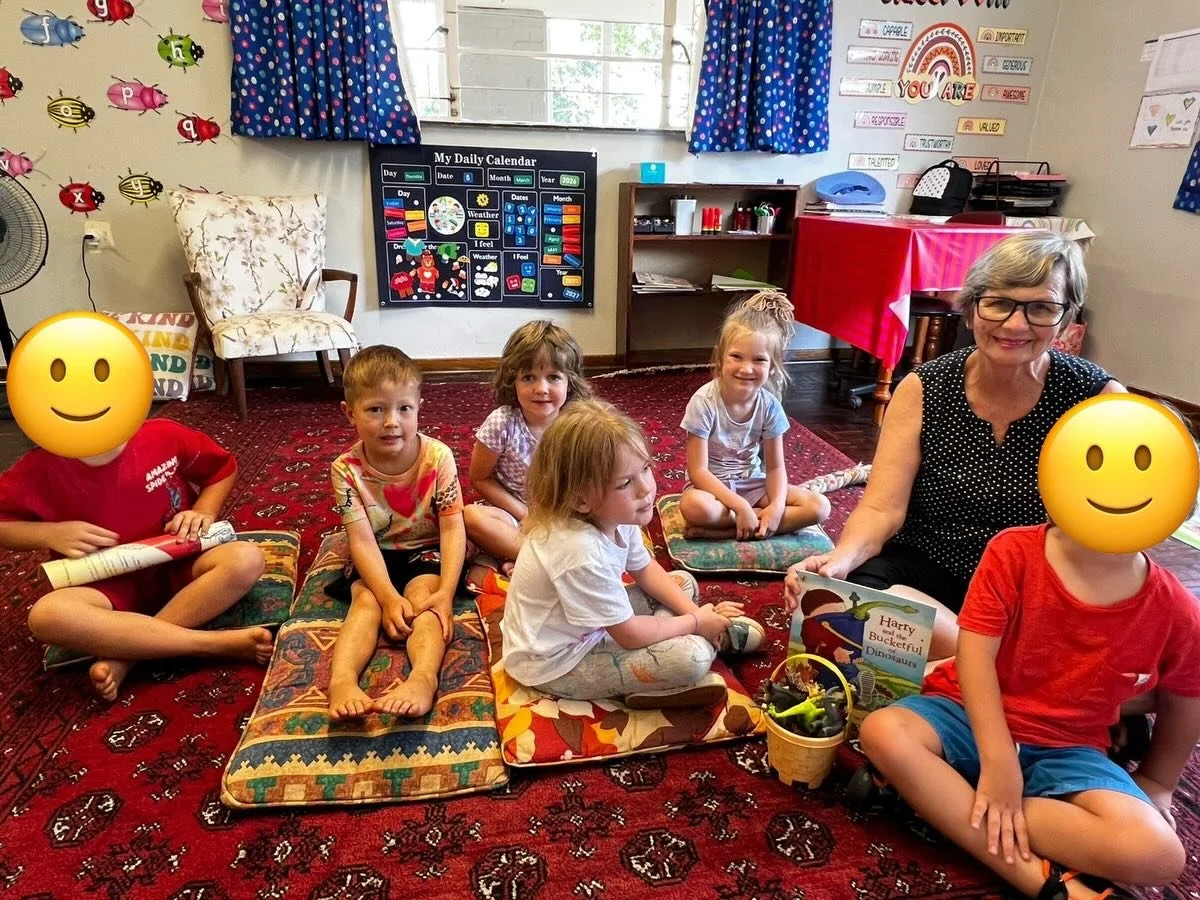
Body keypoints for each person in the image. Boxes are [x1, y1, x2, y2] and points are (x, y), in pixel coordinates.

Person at [785, 232, 1124, 659]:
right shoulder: (923, 388)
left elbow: (1111, 535)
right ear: (970, 308)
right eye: (999, 303)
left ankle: (969, 661)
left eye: (1041, 308)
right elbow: (881, 510)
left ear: (1066, 315)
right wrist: (839, 562)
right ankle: (1002, 665)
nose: (1016, 325)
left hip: (1036, 588)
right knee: (852, 595)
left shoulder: (1098, 400)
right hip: (931, 568)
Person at [858, 517, 1200, 899]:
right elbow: (974, 655)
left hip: (1068, 750)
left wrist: (1158, 782)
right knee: (884, 731)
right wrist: (998, 760)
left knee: (1160, 854)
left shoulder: (1176, 608)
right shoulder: (1013, 552)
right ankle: (1041, 883)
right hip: (967, 714)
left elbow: (1187, 694)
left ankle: (938, 800)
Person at [502, 399, 764, 708]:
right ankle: (685, 657)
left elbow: (645, 569)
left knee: (682, 583)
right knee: (691, 658)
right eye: (626, 482)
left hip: (595, 626)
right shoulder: (579, 550)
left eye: (646, 469)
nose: (646, 489)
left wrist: (692, 615)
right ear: (581, 499)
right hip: (556, 662)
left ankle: (698, 636)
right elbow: (628, 634)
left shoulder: (614, 514)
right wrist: (694, 623)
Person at [0, 419, 270, 702]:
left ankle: (129, 656)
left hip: (180, 563)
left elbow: (221, 470)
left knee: (246, 558)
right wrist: (49, 534)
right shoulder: (38, 467)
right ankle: (207, 646)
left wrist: (203, 511)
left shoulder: (162, 434)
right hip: (104, 584)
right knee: (46, 616)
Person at [325, 345, 466, 722]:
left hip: (427, 549)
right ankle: (342, 680)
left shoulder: (438, 458)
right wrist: (387, 596)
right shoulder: (345, 469)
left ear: (419, 407)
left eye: (404, 409)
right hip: (378, 553)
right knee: (365, 603)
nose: (392, 422)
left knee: (425, 600)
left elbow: (453, 526)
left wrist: (446, 594)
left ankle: (422, 678)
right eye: (376, 409)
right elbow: (362, 540)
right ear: (349, 413)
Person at [679, 290, 830, 541]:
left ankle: (725, 531)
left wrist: (776, 507)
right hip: (712, 490)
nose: (746, 368)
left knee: (819, 507)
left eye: (759, 360)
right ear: (720, 357)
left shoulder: (769, 407)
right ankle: (749, 522)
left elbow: (775, 467)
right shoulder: (703, 402)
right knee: (694, 507)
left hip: (753, 484)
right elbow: (698, 472)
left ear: (772, 367)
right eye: (736, 356)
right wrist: (739, 506)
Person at [464, 320, 591, 574]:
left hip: (566, 514)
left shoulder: (579, 422)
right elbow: (479, 478)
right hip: (514, 514)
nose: (541, 389)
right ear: (513, 381)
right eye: (529, 377)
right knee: (471, 517)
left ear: (570, 381)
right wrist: (524, 514)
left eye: (553, 377)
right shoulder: (502, 422)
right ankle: (545, 559)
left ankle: (527, 560)